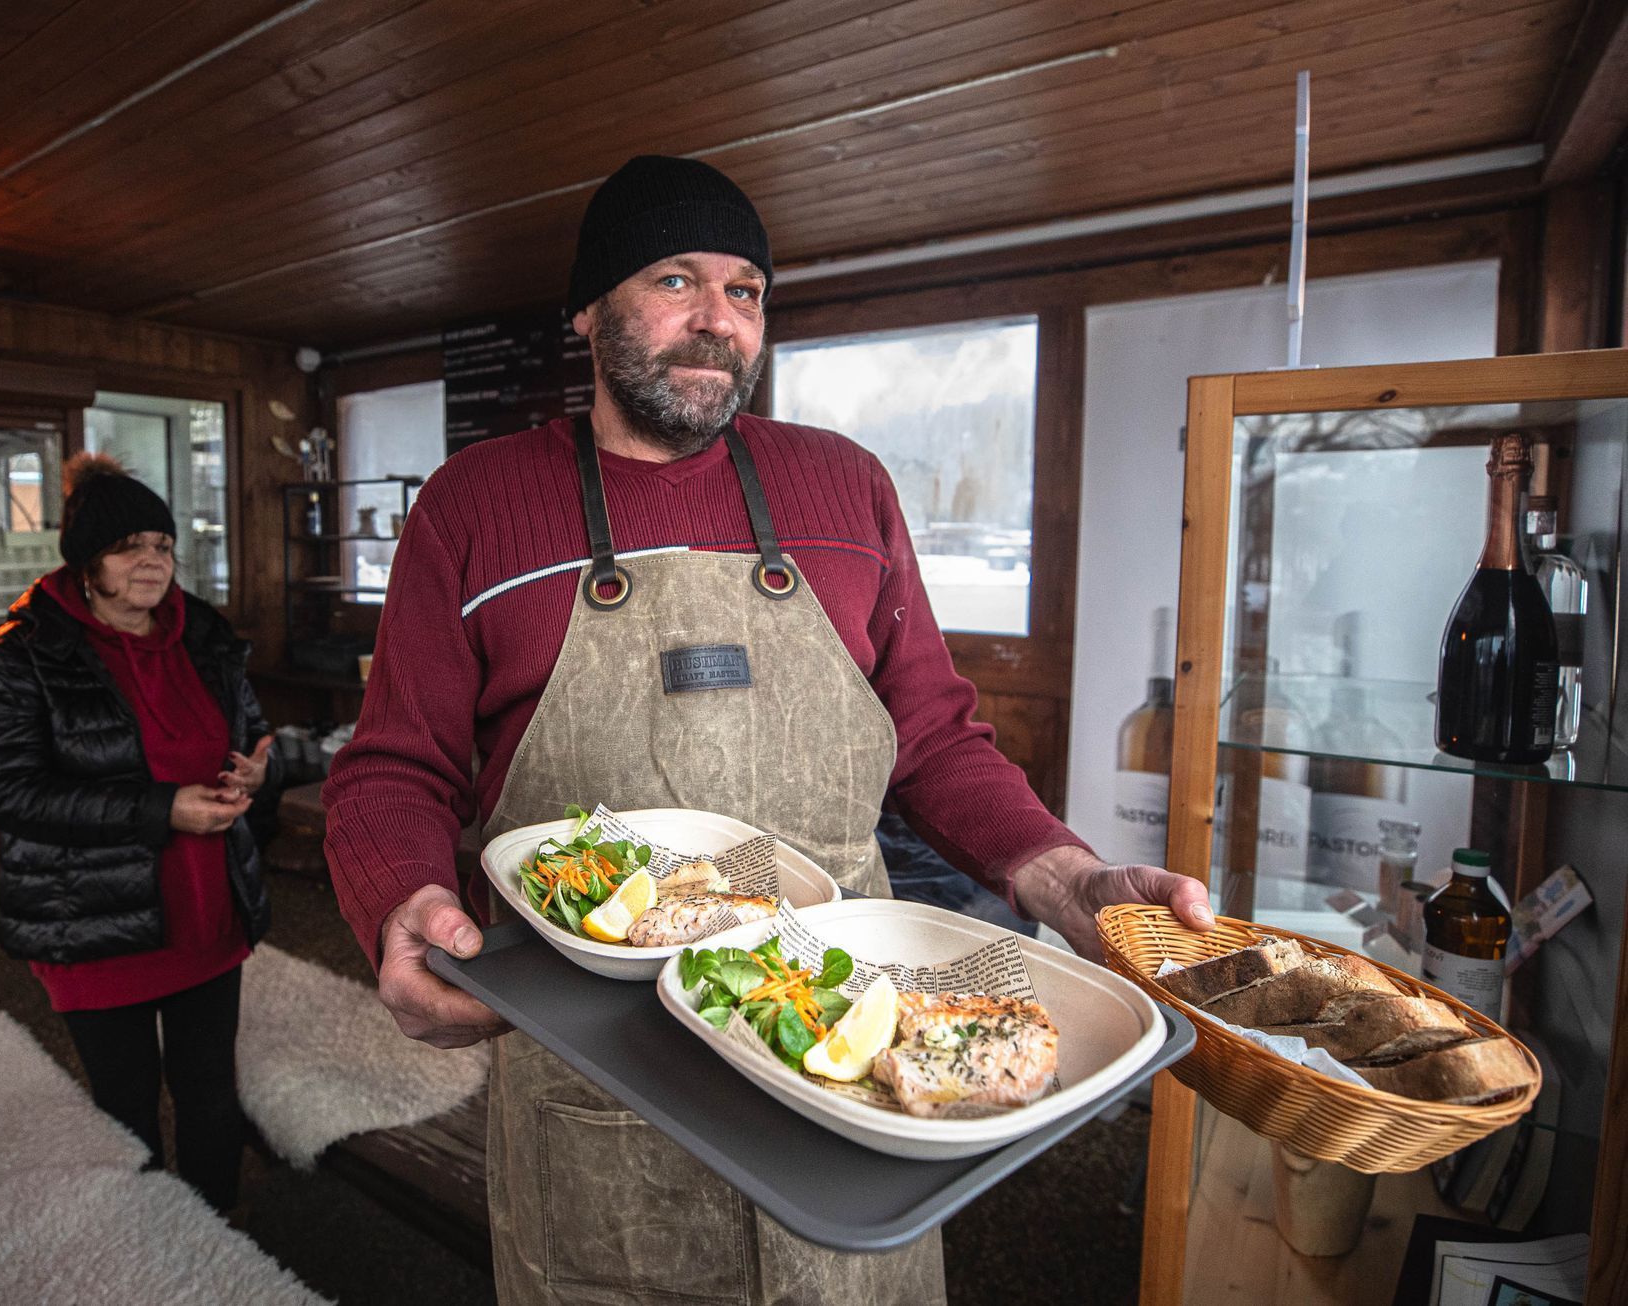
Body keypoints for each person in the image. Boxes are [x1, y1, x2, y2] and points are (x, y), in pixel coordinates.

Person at [321, 155, 1214, 1303]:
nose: (715, 322)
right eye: (675, 280)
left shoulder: (845, 488)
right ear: (588, 308)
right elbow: (394, 766)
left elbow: (933, 737)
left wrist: (1062, 876)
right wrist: (397, 901)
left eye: (745, 290)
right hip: (604, 1059)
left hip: (858, 1048)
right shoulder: (475, 503)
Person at [0, 453, 279, 1213]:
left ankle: (219, 1237)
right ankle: (144, 1247)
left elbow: (249, 724)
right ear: (87, 563)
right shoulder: (30, 652)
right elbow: (7, 789)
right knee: (126, 1106)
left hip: (208, 910)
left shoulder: (203, 633)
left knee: (210, 1091)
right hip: (94, 922)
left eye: (163, 545)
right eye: (128, 547)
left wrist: (254, 768)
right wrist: (159, 809)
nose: (151, 562)